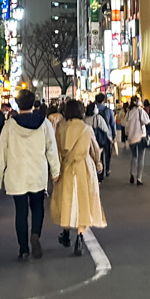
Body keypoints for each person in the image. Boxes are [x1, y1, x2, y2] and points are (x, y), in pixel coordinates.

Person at [0, 89, 60, 260]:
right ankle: (35, 234)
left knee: (21, 212)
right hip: (38, 173)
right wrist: (55, 171)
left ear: (18, 103)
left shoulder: (10, 125)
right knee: (38, 208)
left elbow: (1, 153)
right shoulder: (44, 123)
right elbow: (52, 149)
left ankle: (23, 249)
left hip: (17, 175)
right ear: (33, 102)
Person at [51, 99, 106, 256]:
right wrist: (98, 163)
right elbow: (95, 149)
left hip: (66, 167)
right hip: (83, 167)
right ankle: (80, 237)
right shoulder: (86, 129)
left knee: (67, 200)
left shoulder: (61, 129)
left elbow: (57, 151)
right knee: (83, 202)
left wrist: (55, 171)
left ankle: (66, 233)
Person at [123, 98, 150, 185]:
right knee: (141, 157)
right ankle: (139, 178)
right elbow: (147, 121)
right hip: (140, 137)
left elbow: (125, 125)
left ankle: (132, 173)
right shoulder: (140, 111)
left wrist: (128, 133)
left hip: (131, 138)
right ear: (136, 102)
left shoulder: (128, 112)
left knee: (134, 156)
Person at [94, 94, 116, 178]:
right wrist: (113, 135)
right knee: (108, 152)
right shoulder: (108, 110)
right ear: (104, 100)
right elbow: (112, 124)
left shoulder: (94, 111)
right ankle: (107, 168)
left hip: (97, 135)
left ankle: (101, 170)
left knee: (99, 153)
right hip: (107, 135)